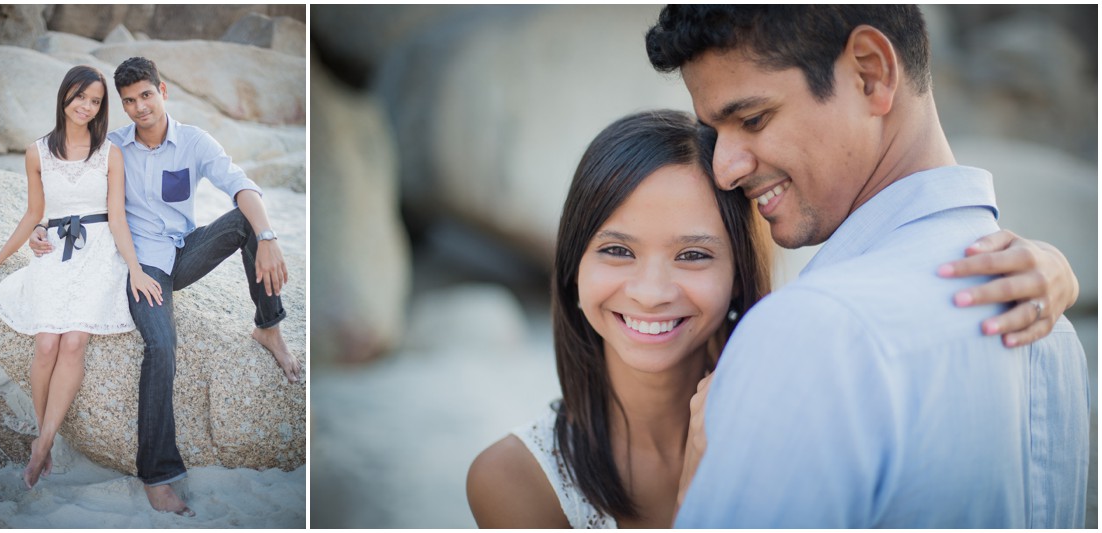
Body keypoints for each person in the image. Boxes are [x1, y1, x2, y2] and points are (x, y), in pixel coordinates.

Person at [465, 110, 1083, 528]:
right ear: (573, 265)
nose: (651, 292)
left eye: (693, 255)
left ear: (740, 271)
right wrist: (697, 504)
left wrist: (1049, 267)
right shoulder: (514, 479)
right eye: (617, 250)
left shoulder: (801, 392)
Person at [645, 5, 1090, 527]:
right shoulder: (1054, 331)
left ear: (870, 73)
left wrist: (695, 486)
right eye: (716, 133)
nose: (724, 169)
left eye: (752, 119)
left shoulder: (811, 330)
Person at [27, 57, 302, 517]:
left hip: (183, 252)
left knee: (248, 222)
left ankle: (268, 326)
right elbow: (64, 184)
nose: (139, 108)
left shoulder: (193, 141)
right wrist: (40, 225)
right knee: (161, 345)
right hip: (142, 266)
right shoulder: (112, 147)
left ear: (163, 91)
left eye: (146, 96)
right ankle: (156, 474)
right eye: (129, 101)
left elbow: (241, 184)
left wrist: (269, 237)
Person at [0, 66, 163, 490]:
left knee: (74, 340)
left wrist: (137, 270)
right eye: (79, 97)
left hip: (100, 250)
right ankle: (44, 434)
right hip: (56, 250)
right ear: (64, 97)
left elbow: (119, 218)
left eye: (95, 101)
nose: (86, 107)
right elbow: (34, 214)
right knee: (46, 340)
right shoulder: (37, 152)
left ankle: (43, 442)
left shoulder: (110, 153)